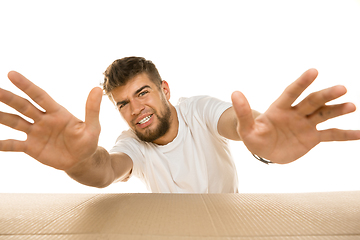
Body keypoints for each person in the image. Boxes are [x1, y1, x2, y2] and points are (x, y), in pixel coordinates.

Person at [0, 57, 359, 193]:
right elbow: (106, 169)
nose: (135, 109)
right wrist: (76, 162)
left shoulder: (197, 109)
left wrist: (257, 137)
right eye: (123, 103)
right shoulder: (132, 143)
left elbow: (232, 123)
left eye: (143, 93)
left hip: (230, 227)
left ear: (165, 89)